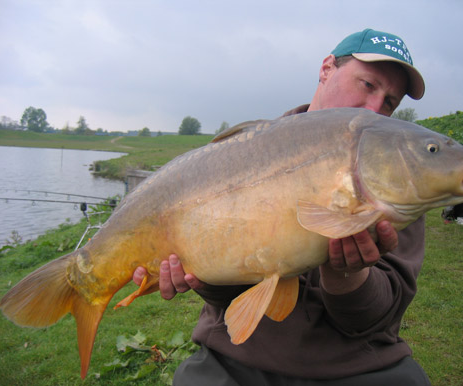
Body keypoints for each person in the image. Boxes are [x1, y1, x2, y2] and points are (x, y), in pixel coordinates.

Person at [133, 28, 431, 385]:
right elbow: (227, 296)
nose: (375, 108)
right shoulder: (251, 148)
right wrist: (198, 276)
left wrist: (345, 273)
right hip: (236, 356)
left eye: (389, 102)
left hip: (357, 366)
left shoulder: (391, 178)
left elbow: (374, 318)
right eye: (368, 85)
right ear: (326, 69)